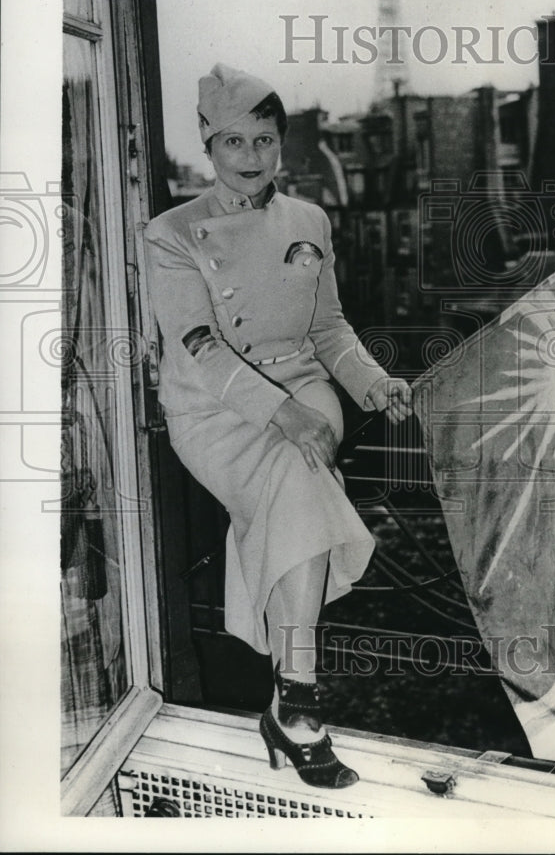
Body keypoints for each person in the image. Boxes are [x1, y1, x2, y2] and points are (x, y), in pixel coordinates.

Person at [144, 64, 412, 788]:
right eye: (234, 141)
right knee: (295, 481)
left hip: (304, 385)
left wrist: (373, 382)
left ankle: (296, 702)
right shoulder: (171, 234)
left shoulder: (308, 221)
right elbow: (199, 347)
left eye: (264, 139)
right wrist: (281, 414)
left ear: (280, 143)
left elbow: (329, 328)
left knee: (295, 476)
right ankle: (294, 697)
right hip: (212, 406)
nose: (251, 156)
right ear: (207, 143)